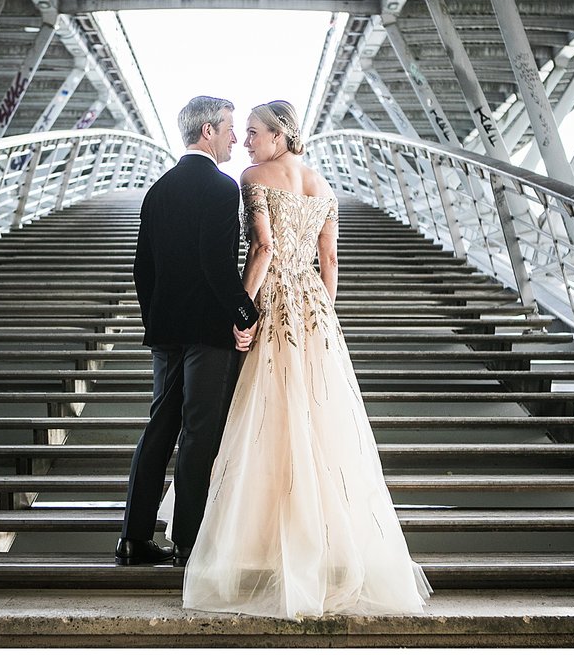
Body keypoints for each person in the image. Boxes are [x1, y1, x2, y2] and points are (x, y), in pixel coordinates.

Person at [177, 101, 433, 618]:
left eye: (253, 133)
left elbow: (264, 247)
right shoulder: (324, 187)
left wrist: (242, 309)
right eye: (242, 134)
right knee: (318, 420)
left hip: (271, 299)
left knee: (265, 418)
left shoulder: (254, 177)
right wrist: (324, 312)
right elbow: (331, 258)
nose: (246, 142)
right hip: (314, 308)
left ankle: (256, 542)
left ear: (279, 135)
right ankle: (323, 542)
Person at [117, 96, 259, 567]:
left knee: (159, 426)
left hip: (167, 332)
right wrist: (246, 313)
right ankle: (188, 544)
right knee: (200, 433)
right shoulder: (221, 189)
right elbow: (217, 267)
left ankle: (133, 539)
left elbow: (143, 269)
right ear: (207, 132)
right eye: (229, 128)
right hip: (207, 333)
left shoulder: (157, 189)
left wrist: (156, 322)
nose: (235, 137)